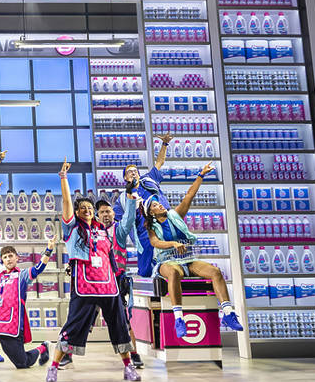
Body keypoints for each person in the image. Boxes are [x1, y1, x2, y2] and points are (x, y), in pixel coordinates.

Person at [47, 159, 139, 382]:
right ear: (77, 213)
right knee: (72, 326)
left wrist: (130, 195)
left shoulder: (104, 231)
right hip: (84, 287)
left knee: (120, 326)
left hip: (109, 287)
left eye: (90, 208)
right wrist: (63, 178)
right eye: (83, 208)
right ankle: (54, 367)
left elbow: (111, 254)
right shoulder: (72, 229)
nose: (87, 210)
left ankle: (128, 367)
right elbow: (66, 203)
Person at [144, 161, 245, 336]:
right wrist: (173, 244)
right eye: (155, 205)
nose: (159, 205)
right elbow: (155, 243)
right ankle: (179, 319)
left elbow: (189, 195)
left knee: (215, 272)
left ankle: (228, 314)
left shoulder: (175, 215)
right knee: (173, 273)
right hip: (166, 261)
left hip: (187, 259)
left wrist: (201, 174)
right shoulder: (151, 227)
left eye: (159, 203)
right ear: (151, 212)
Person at [0, 233, 58, 370]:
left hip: (11, 326)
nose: (8, 259)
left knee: (22, 363)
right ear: (2, 260)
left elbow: (39, 268)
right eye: (5, 257)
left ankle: (43, 348)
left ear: (17, 258)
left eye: (10, 256)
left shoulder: (23, 275)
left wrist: (49, 250)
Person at [115, 134, 174, 279]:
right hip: (144, 233)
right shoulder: (123, 198)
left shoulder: (149, 179)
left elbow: (159, 162)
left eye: (135, 170)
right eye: (129, 171)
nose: (133, 172)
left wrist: (165, 144)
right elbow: (115, 219)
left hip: (165, 224)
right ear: (125, 178)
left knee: (171, 260)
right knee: (146, 269)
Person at [96, 199, 144, 369]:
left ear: (113, 213)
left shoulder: (120, 230)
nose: (105, 215)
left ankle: (134, 354)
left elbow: (129, 218)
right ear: (97, 215)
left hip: (116, 281)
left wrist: (130, 198)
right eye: (102, 212)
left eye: (108, 211)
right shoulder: (93, 232)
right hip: (96, 281)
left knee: (123, 320)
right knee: (84, 319)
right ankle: (67, 355)